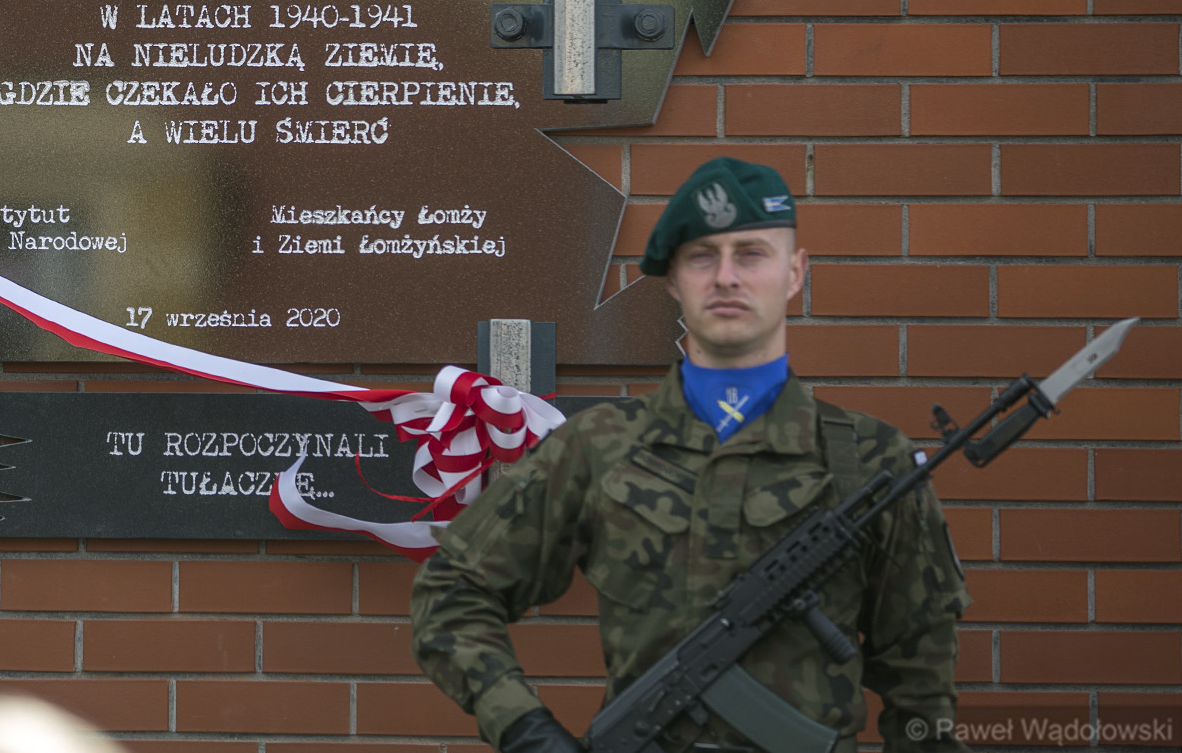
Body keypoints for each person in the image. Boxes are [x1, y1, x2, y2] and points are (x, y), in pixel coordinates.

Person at [410, 157, 970, 753]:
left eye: (751, 253)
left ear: (795, 273)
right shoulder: (600, 445)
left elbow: (921, 685)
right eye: (702, 256)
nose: (726, 277)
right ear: (673, 280)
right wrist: (524, 728)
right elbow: (451, 593)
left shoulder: (870, 459)